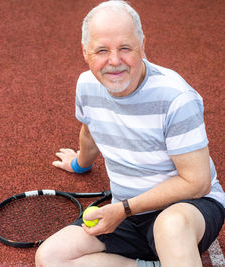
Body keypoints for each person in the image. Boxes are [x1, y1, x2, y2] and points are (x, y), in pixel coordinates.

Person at [34, 1, 225, 267]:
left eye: (125, 48)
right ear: (85, 52)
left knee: (170, 227)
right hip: (129, 215)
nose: (114, 61)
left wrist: (123, 209)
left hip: (186, 209)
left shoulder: (176, 98)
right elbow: (89, 133)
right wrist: (79, 163)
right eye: (101, 50)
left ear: (142, 45)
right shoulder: (87, 85)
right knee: (50, 257)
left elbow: (197, 182)